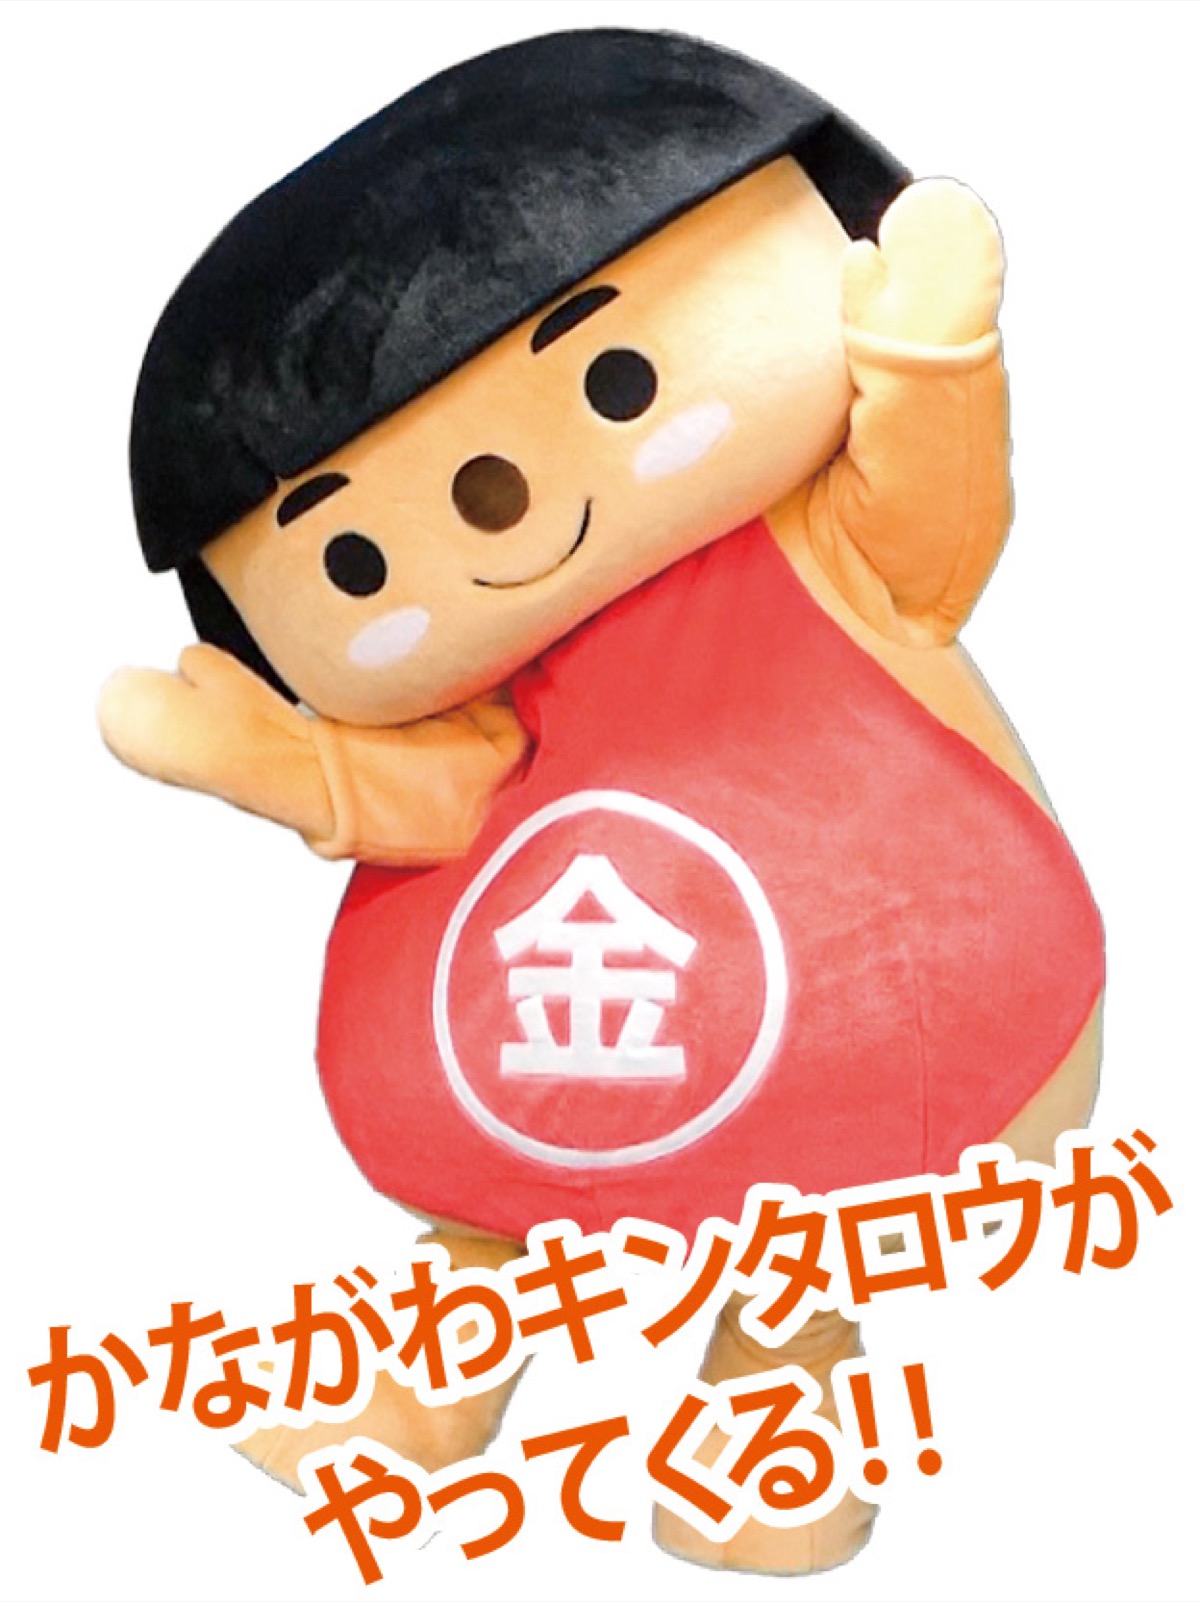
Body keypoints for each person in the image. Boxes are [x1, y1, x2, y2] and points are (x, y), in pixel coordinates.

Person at [99, 27, 1103, 1574]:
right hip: (538, 1083)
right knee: (490, 1228)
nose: (501, 514)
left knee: (793, 1259)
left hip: (879, 1077)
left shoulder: (822, 550)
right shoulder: (484, 694)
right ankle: (414, 1407)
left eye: (615, 370)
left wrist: (928, 365)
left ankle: (767, 1431)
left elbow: (931, 512)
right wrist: (275, 762)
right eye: (352, 555)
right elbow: (423, 792)